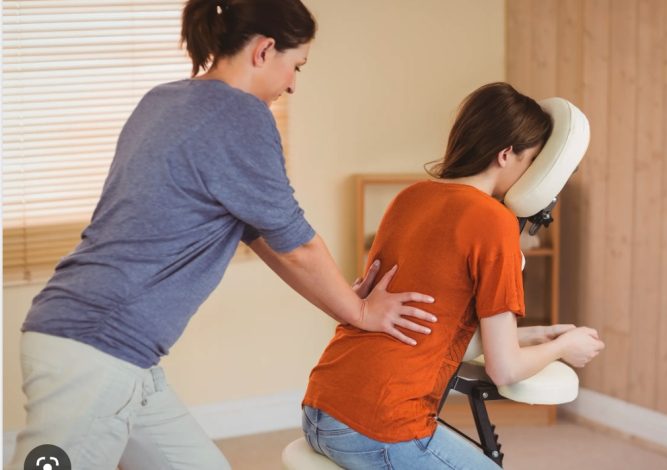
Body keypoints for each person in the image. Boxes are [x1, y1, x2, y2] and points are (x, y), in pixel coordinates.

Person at [6, 1, 437, 469]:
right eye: (296, 66)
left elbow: (267, 237)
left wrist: (344, 304)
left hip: (117, 353)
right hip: (97, 350)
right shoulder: (241, 116)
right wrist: (360, 311)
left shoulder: (164, 100)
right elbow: (298, 244)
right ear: (265, 49)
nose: (293, 83)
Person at [301, 82, 606, 469]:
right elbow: (505, 369)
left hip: (321, 404)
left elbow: (432, 324)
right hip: (379, 425)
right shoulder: (494, 222)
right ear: (506, 154)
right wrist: (566, 348)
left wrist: (541, 335)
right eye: (531, 162)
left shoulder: (409, 197)